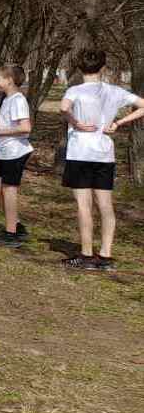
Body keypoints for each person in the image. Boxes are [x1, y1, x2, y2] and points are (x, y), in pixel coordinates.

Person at [60, 50, 144, 271]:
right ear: (103, 68)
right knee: (106, 205)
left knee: (83, 205)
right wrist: (119, 123)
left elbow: (63, 108)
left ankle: (87, 255)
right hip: (104, 154)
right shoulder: (115, 91)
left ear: (79, 68)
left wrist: (75, 122)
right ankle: (105, 255)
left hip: (80, 152)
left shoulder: (75, 90)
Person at [0, 64, 33, 247]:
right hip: (5, 153)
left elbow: (25, 128)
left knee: (8, 189)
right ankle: (16, 224)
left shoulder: (18, 100)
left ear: (10, 81)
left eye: (0, 78)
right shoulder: (7, 99)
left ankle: (11, 234)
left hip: (16, 152)